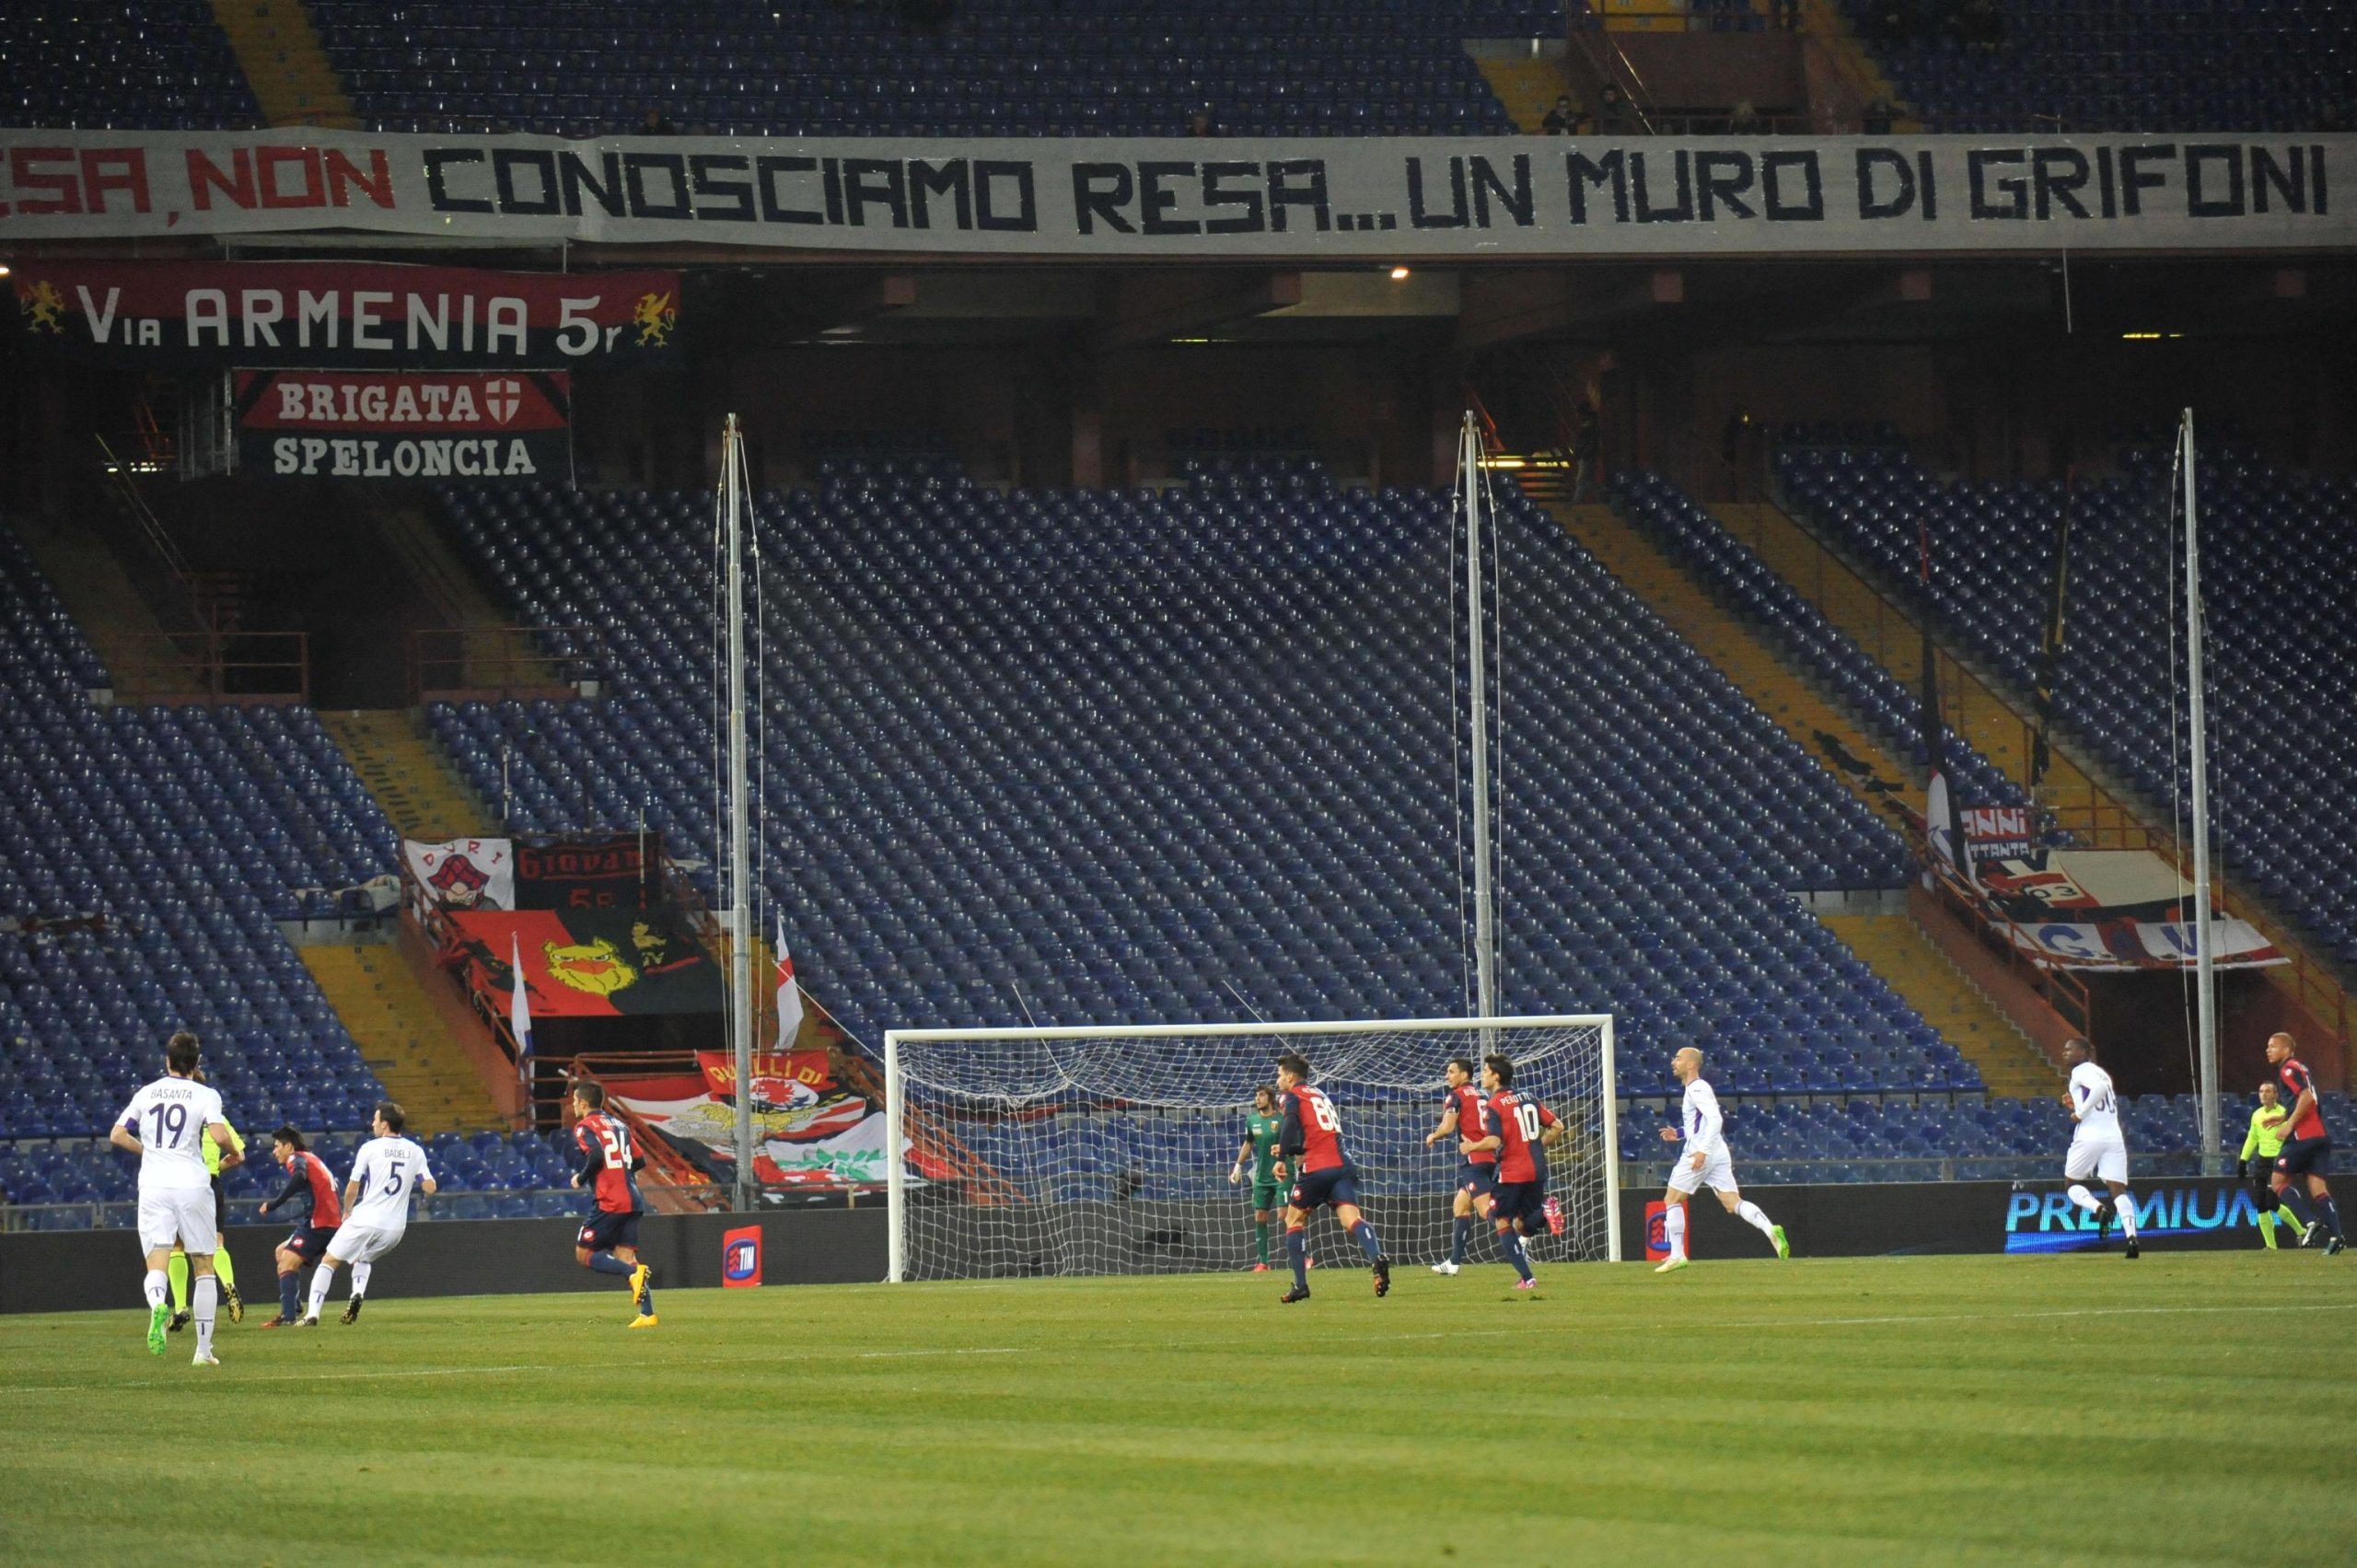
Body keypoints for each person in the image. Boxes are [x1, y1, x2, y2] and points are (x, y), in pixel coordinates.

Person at [110, 1031, 241, 1363]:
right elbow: (217, 1133)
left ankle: (158, 1306)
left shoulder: (146, 1092)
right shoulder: (206, 1094)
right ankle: (203, 1350)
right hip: (193, 1185)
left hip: (154, 1185)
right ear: (196, 1063)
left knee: (158, 1260)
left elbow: (117, 1134)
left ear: (167, 1061)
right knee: (204, 1266)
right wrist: (233, 1149)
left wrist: (148, 1152)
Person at [299, 1102, 437, 1326]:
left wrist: (346, 1212)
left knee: (328, 1261)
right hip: (395, 1229)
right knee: (364, 1257)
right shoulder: (416, 1151)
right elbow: (429, 1186)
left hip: (367, 1218)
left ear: (384, 1124)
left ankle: (312, 1315)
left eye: (375, 1119)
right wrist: (426, 1190)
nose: (372, 1123)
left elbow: (353, 1187)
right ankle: (357, 1294)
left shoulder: (370, 1148)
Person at [1655, 1047, 1787, 1272]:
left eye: (1677, 1058)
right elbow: (1700, 1124)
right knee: (1732, 1202)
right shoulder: (1696, 1089)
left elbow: (1715, 1119)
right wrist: (1679, 1133)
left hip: (1701, 1152)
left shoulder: (1696, 1088)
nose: (1673, 1061)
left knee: (1672, 1199)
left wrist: (1702, 1151)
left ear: (1690, 1064)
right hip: (1718, 1151)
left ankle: (1677, 1256)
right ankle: (1769, 1229)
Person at [1272, 1052, 1390, 1303]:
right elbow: (1317, 1135)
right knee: (1351, 1220)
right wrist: (1292, 1150)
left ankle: (1301, 1285)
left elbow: (1291, 1122)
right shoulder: (1319, 1094)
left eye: (1280, 1075)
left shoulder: (1290, 1095)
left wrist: (1282, 1156)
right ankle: (1376, 1256)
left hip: (1317, 1167)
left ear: (1291, 1077)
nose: (1278, 1079)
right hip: (1343, 1165)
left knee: (1293, 1219)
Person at [1465, 1055, 1562, 1291]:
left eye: (1486, 1070)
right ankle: (1547, 1211)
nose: (1482, 1075)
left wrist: (1472, 1146)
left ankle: (1527, 1278)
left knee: (1500, 1221)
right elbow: (1558, 1126)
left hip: (1513, 1171)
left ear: (1496, 1076)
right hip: (1537, 1169)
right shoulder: (1529, 1097)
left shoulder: (1494, 1105)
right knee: (1523, 1225)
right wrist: (1538, 1145)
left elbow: (1494, 1140)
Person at [572, 1082, 657, 1327]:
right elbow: (639, 1159)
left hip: (610, 1200)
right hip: (633, 1198)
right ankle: (647, 1313)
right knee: (625, 1255)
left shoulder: (584, 1126)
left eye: (575, 1101)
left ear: (584, 1103)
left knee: (584, 1253)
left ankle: (631, 1274)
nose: (573, 1105)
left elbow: (596, 1154)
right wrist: (621, 1172)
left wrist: (580, 1177)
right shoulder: (620, 1125)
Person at [165, 1067, 244, 1333]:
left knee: (177, 1246)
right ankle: (229, 1284)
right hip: (211, 1183)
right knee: (216, 1243)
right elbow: (239, 1155)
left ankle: (179, 1308)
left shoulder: (179, 1113)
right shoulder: (216, 1117)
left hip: (182, 1181)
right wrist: (218, 1166)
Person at [2264, 1032, 2345, 1254]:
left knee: (2277, 1182)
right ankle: (2337, 1237)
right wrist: (2282, 1117)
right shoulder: (2302, 1067)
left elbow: (2307, 1097)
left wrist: (2289, 1124)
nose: (2268, 1050)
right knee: (2318, 1189)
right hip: (2320, 1137)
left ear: (2286, 1049)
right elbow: (2308, 1101)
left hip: (2303, 1137)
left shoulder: (2287, 1068)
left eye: (2273, 1046)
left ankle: (2310, 1222)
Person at [2058, 1038, 2139, 1258]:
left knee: (2072, 1184)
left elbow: (2100, 1090)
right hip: (2113, 1136)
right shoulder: (2101, 1073)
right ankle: (2132, 1238)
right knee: (2117, 1189)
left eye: (2069, 1049)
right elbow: (2101, 1093)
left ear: (2083, 1052)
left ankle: (2098, 1209)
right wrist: (2077, 1105)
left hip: (2089, 1135)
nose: (2064, 1053)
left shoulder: (2081, 1071)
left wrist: (2079, 1113)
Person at [256, 1125, 342, 1327]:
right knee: (281, 1252)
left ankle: (288, 1318)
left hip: (318, 1223)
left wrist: (273, 1204)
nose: (275, 1151)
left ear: (289, 1146)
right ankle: (293, 1307)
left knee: (287, 1262)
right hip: (327, 1221)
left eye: (277, 1146)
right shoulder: (312, 1158)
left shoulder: (296, 1159)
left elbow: (300, 1176)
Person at [1423, 1057, 1496, 1275]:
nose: (1447, 1076)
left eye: (1451, 1071)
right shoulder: (1485, 1094)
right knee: (1461, 1206)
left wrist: (1432, 1135)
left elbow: (1448, 1126)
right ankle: (1454, 1262)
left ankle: (1523, 1229)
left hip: (1475, 1159)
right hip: (1493, 1155)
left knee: (1486, 1211)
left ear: (1464, 1075)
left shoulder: (1455, 1096)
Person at [2235, 1084, 2312, 1250]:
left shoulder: (2284, 1114)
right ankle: (2271, 1246)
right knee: (2260, 1204)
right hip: (2262, 1162)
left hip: (2279, 1162)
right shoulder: (2256, 1115)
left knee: (2271, 1202)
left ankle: (2301, 1230)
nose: (2263, 1094)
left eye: (2267, 1091)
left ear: (2276, 1095)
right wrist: (2243, 1160)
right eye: (2261, 1091)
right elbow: (2252, 1138)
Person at [1229, 1085, 1287, 1272]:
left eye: (1261, 1095)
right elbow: (1248, 1142)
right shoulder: (1252, 1120)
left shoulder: (1282, 1119)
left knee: (1285, 1216)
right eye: (1256, 1095)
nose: (1257, 1098)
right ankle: (1263, 1262)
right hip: (1261, 1177)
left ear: (1270, 1098)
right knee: (1260, 1216)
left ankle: (1303, 1257)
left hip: (1281, 1175)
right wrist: (1238, 1165)